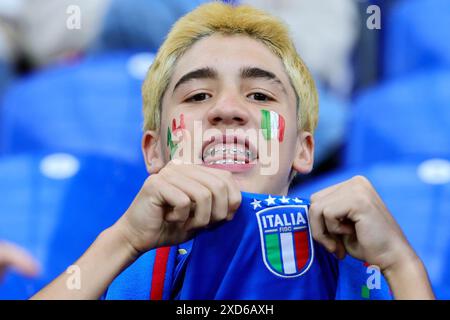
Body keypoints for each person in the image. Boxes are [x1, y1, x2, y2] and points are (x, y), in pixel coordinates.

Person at [31, 2, 434, 300]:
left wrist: (402, 265)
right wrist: (124, 240)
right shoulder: (127, 272)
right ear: (154, 151)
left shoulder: (347, 265)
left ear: (303, 149)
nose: (227, 110)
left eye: (259, 94)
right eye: (199, 95)